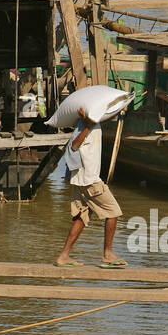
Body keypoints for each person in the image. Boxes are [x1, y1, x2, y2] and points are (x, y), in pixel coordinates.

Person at [56, 107, 127, 268]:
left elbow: (105, 117)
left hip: (80, 180)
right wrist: (87, 124)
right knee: (114, 212)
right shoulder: (85, 124)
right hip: (89, 180)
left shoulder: (93, 122)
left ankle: (64, 256)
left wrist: (119, 109)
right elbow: (74, 146)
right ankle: (108, 254)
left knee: (81, 218)